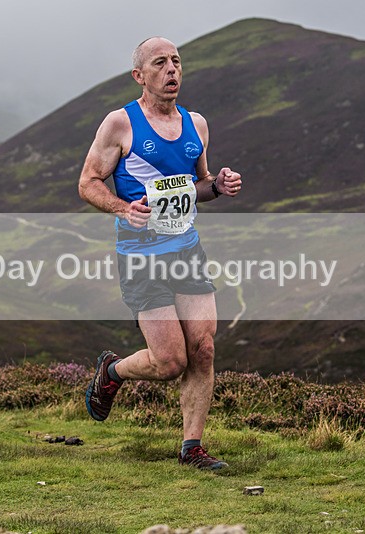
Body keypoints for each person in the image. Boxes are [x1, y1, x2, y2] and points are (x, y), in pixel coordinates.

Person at [78, 36, 242, 470]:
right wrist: (120, 206)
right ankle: (111, 372)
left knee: (203, 348)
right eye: (160, 63)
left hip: (187, 250)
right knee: (170, 362)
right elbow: (89, 181)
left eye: (176, 62)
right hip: (140, 256)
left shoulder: (197, 125)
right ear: (140, 76)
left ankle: (192, 448)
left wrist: (218, 186)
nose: (172, 70)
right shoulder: (120, 123)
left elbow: (199, 184)